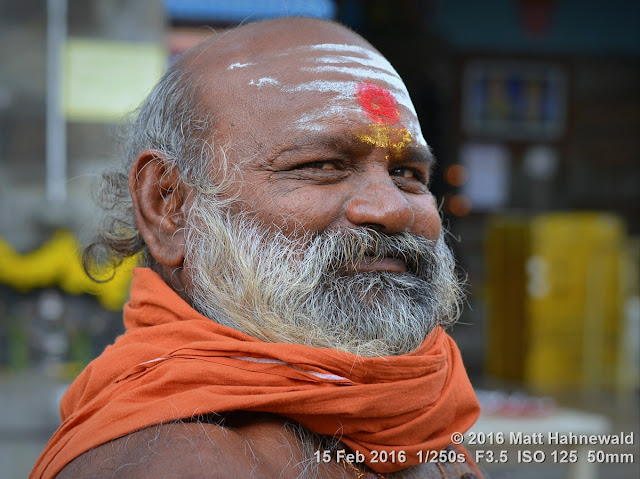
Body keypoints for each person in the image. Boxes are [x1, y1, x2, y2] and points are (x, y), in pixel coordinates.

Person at [32, 17, 482, 479]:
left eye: (407, 173)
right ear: (168, 204)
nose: (391, 208)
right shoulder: (184, 461)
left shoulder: (419, 407)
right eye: (322, 164)